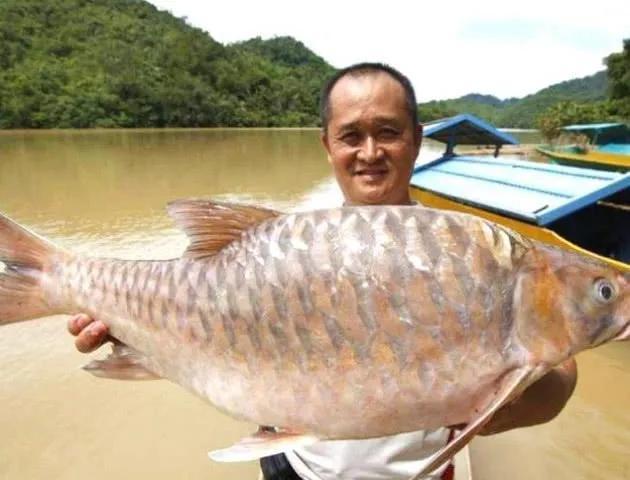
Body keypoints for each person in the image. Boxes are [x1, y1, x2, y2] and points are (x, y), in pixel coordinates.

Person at [68, 63, 578, 480]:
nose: (370, 152)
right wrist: (134, 332)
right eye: (351, 135)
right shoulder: (278, 251)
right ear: (327, 145)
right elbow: (210, 334)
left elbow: (559, 368)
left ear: (417, 139)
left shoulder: (472, 251)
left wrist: (508, 402)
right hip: (294, 465)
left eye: (388, 132)